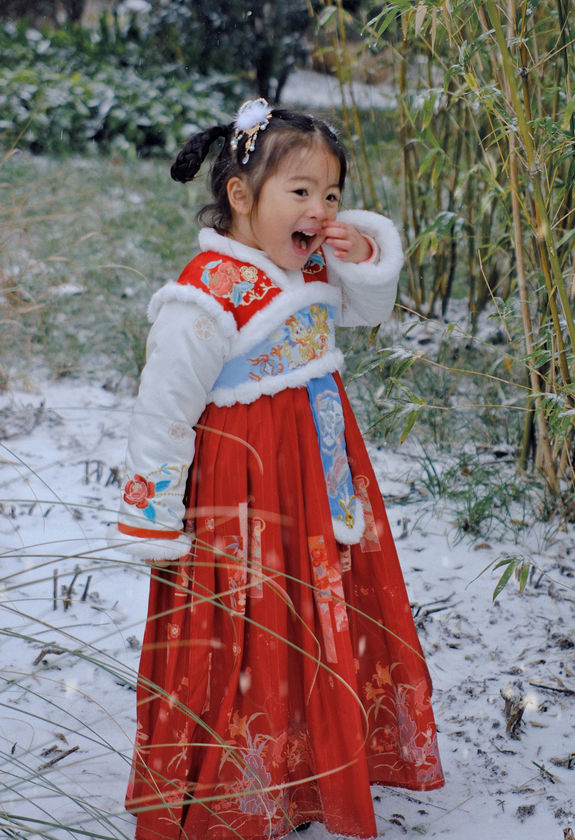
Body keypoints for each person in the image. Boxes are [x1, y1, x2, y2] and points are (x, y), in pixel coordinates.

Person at [117, 99, 444, 840]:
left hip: (316, 476)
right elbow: (164, 410)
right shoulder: (204, 294)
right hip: (245, 492)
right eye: (301, 192)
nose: (321, 209)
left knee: (309, 618)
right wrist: (155, 513)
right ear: (240, 196)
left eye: (330, 193)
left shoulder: (310, 261)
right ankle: (241, 778)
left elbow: (364, 312)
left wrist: (363, 258)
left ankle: (308, 762)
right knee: (246, 627)